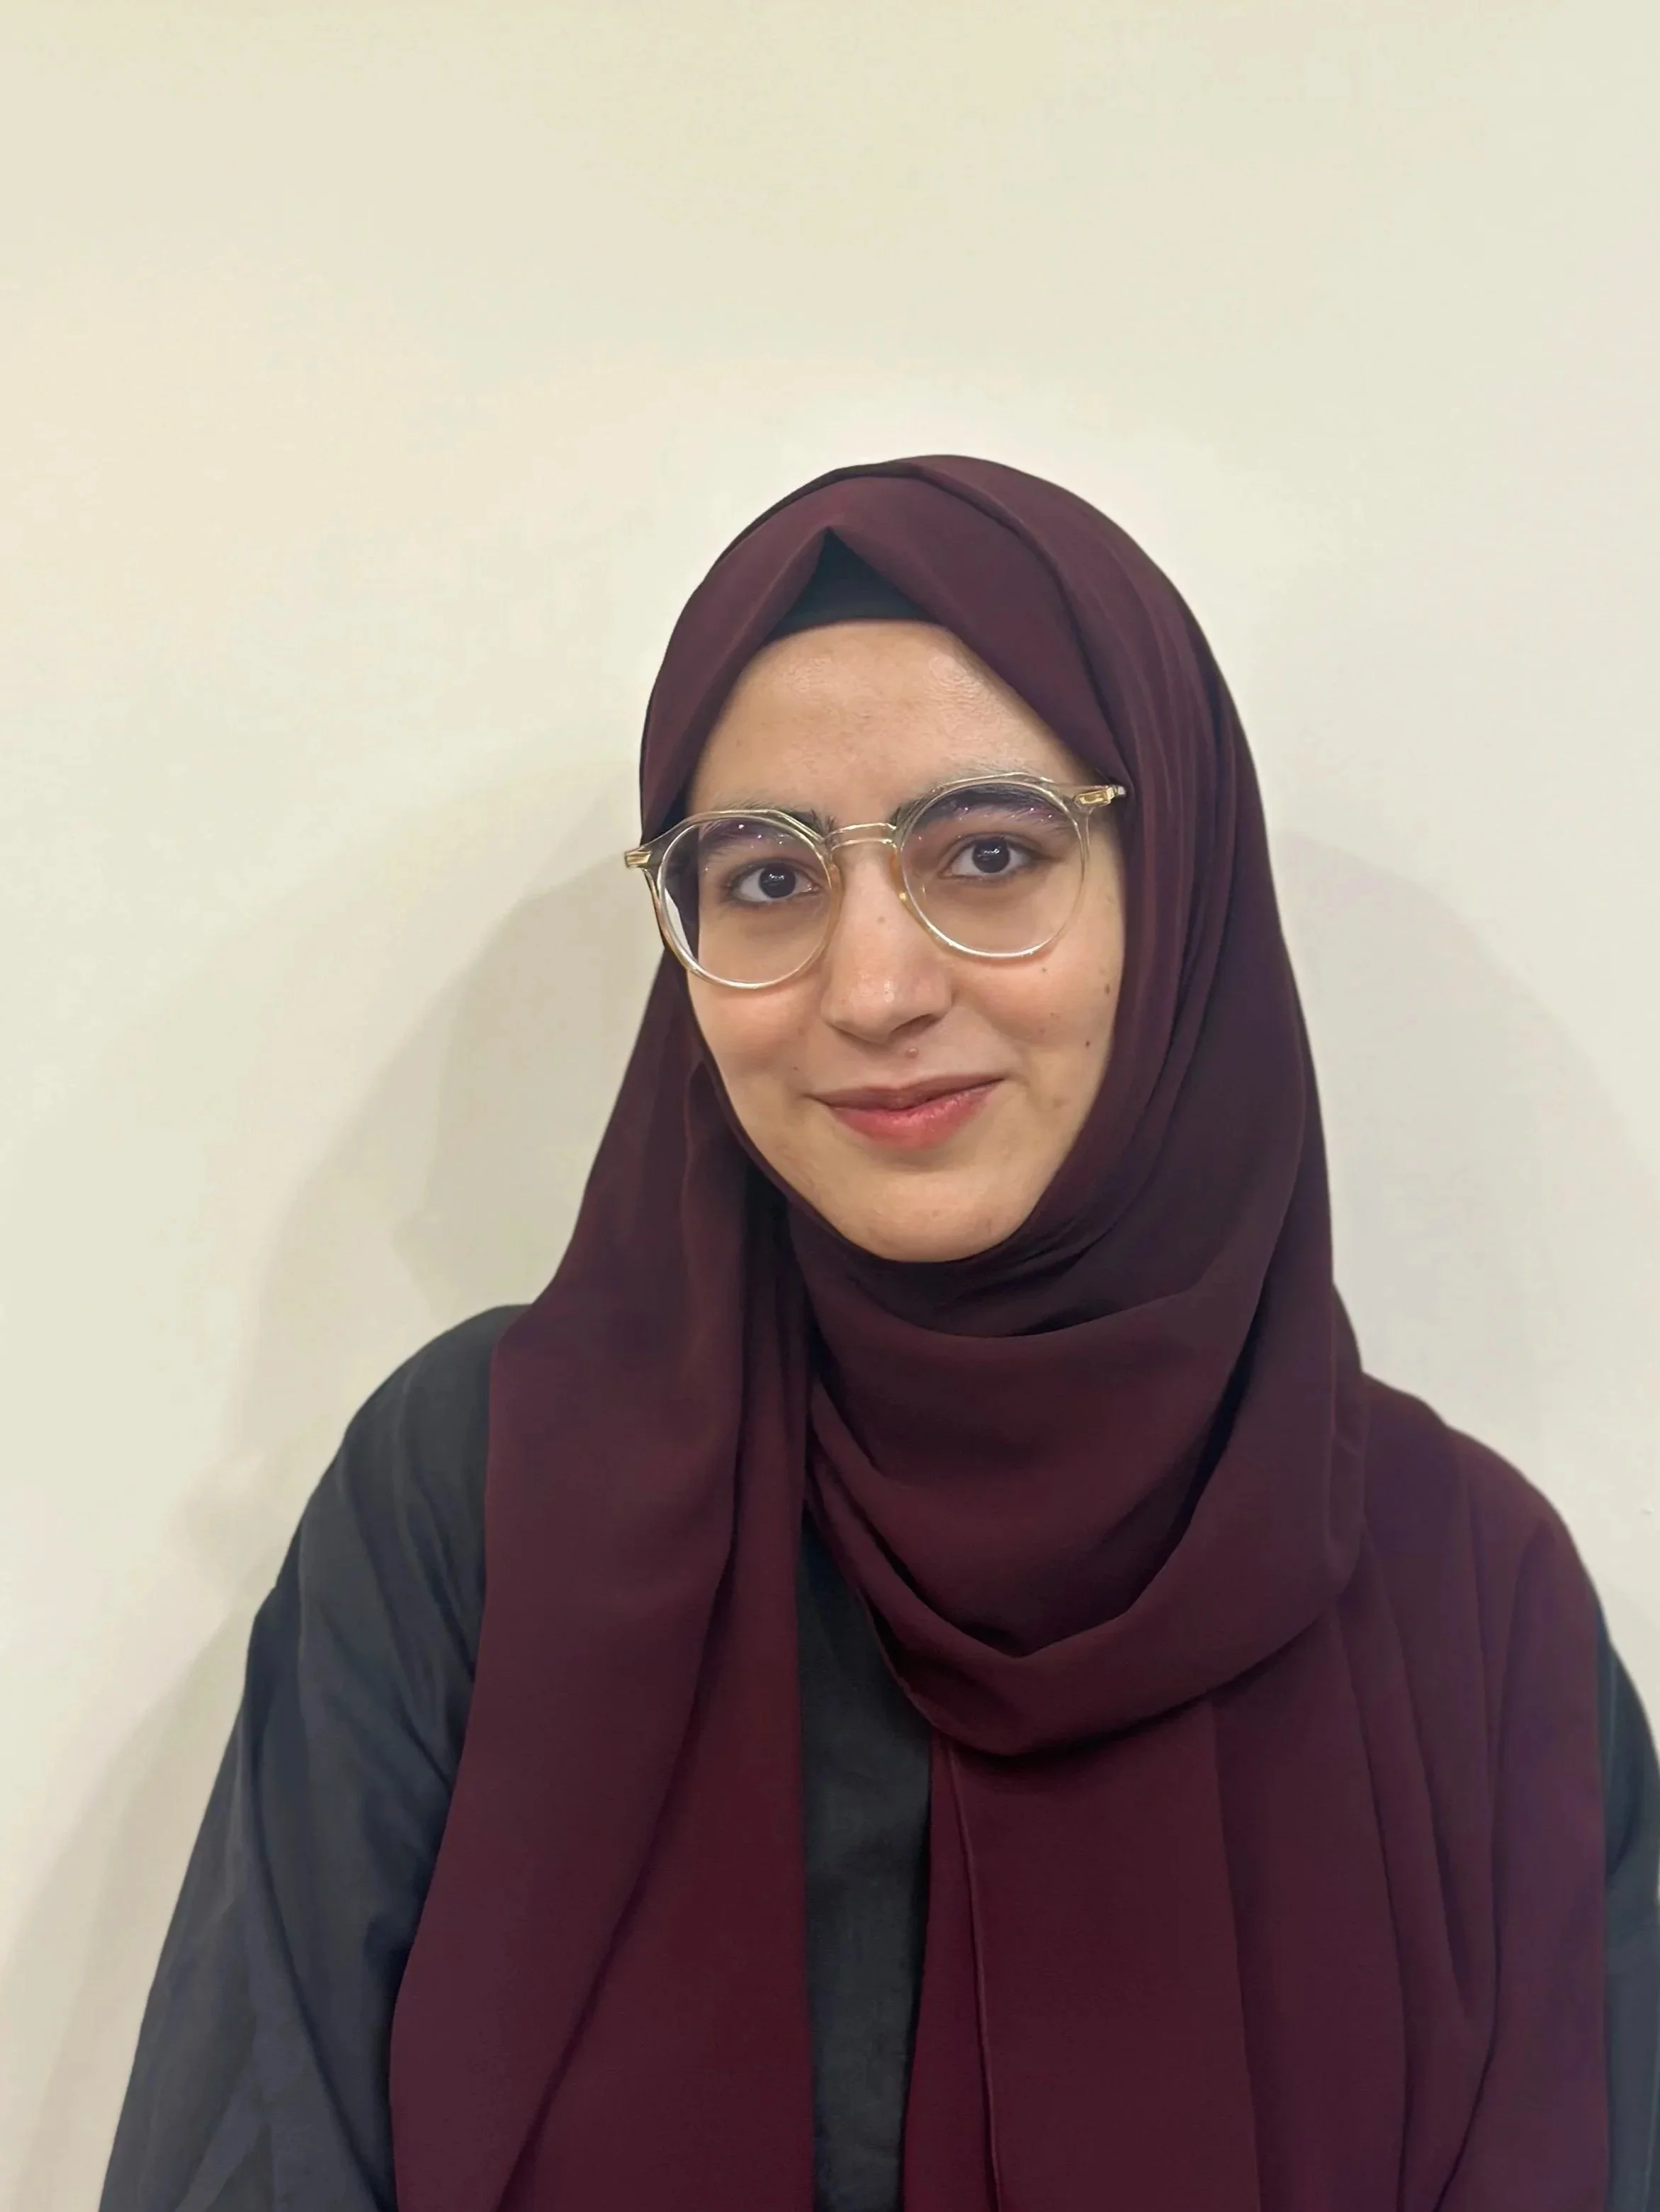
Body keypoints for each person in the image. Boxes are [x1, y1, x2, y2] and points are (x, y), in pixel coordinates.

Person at [102, 458, 1659, 2212]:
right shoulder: (480, 1500)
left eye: (989, 854)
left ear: (1181, 889)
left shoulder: (1469, 1604)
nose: (871, 988)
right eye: (765, 879)